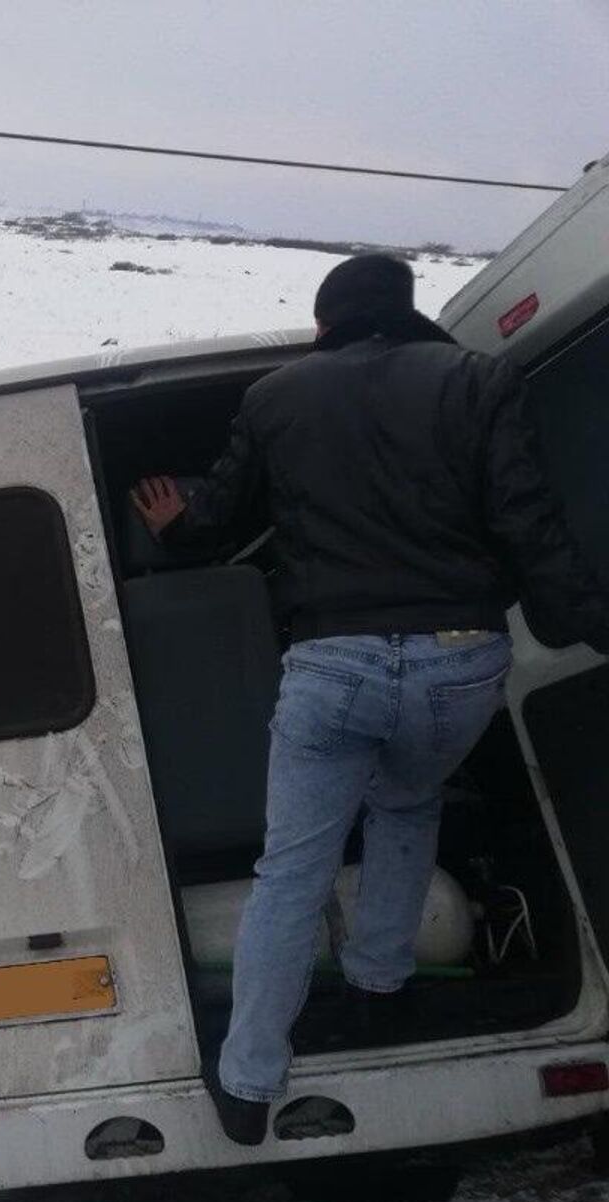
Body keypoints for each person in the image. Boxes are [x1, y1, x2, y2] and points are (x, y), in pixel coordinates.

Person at [133, 253, 609, 1146]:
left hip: (333, 666)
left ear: (325, 326)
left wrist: (178, 526)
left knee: (291, 871)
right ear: (405, 312)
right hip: (458, 659)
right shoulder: (478, 378)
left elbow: (226, 512)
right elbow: (526, 519)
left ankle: (245, 1081)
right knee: (407, 804)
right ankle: (380, 987)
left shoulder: (276, 397)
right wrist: (586, 621)